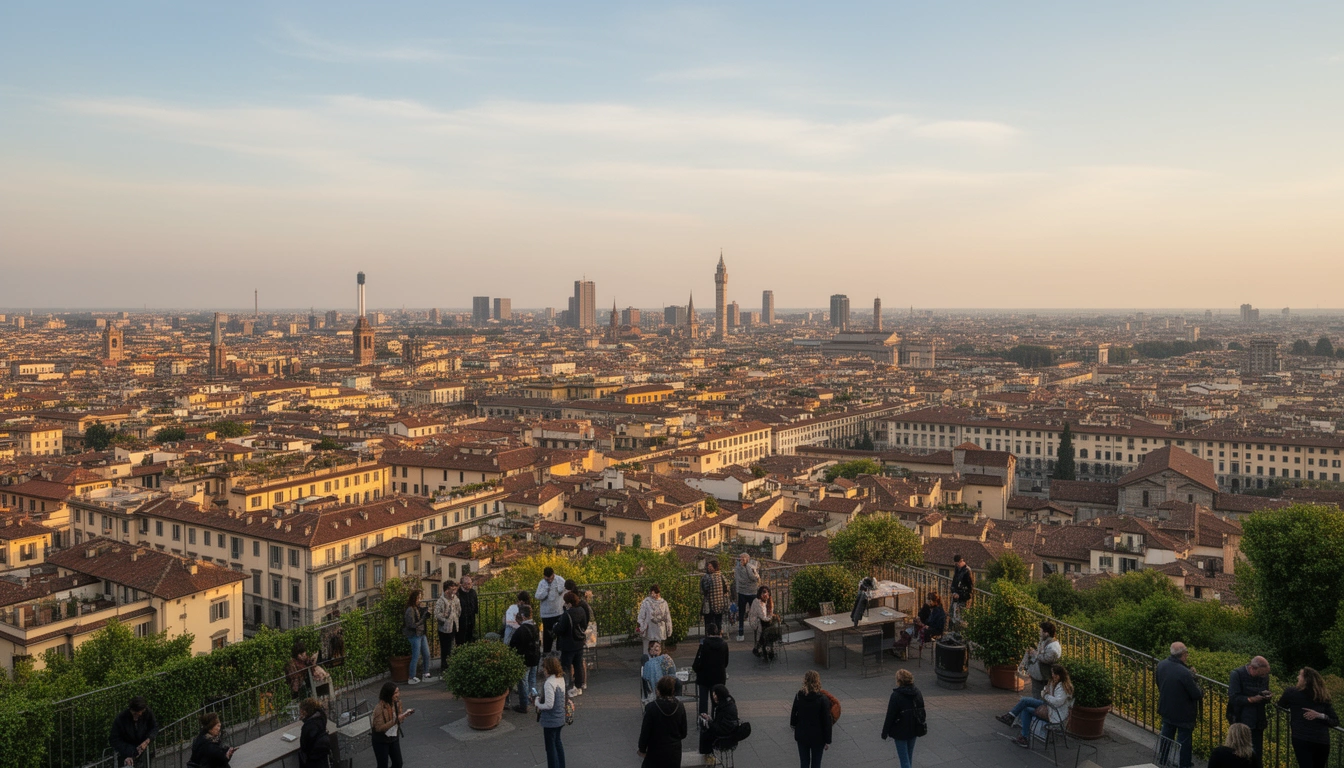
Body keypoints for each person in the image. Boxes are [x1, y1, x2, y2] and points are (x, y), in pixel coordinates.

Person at [997, 663, 1073, 747]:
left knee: (1026, 708)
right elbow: (1043, 691)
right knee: (1025, 701)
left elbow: (1057, 702)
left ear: (1059, 675)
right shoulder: (1052, 682)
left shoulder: (1063, 687)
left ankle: (1022, 734)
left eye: (1054, 674)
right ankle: (1011, 717)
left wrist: (1046, 695)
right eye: (1052, 673)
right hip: (1048, 706)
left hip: (1054, 714)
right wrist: (1045, 693)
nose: (1052, 675)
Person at [1278, 666, 1340, 768]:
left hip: (1302, 738)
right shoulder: (1322, 696)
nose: (1298, 677)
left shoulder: (1292, 692)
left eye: (1300, 675)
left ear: (1305, 680)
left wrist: (1318, 715)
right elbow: (1334, 721)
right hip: (1321, 741)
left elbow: (1280, 705)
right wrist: (1322, 716)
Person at [1156, 641, 1203, 768]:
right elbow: (1197, 694)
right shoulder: (1185, 672)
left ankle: (1163, 759)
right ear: (1183, 654)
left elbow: (1159, 684)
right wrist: (1195, 678)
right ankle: (1184, 764)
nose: (1187, 655)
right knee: (1184, 741)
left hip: (1166, 708)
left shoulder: (1161, 664)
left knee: (1166, 736)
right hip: (1184, 713)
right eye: (1186, 653)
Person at [1227, 655, 1271, 768]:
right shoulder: (1236, 674)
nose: (1264, 676)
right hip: (1241, 719)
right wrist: (1251, 699)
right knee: (1239, 751)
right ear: (1252, 668)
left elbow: (1265, 690)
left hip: (1258, 720)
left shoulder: (1264, 676)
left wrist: (1266, 697)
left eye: (1265, 674)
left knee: (1257, 752)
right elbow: (1233, 697)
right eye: (1262, 674)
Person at [638, 675, 688, 768]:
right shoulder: (679, 706)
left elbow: (645, 731)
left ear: (658, 690)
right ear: (672, 690)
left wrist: (642, 748)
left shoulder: (651, 707)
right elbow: (683, 732)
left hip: (655, 749)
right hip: (674, 751)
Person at [881, 668, 926, 768]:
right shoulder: (917, 692)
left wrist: (885, 732)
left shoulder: (896, 696)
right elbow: (922, 711)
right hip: (914, 729)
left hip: (900, 731)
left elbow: (890, 715)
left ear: (899, 681)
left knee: (904, 760)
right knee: (908, 757)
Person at [790, 670, 833, 768]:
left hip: (802, 735)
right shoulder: (823, 699)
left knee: (804, 763)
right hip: (818, 737)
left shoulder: (799, 696)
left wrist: (795, 727)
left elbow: (793, 715)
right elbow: (827, 721)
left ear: (805, 681)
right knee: (816, 764)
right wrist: (827, 740)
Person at [508, 604, 542, 713]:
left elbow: (513, 645)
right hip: (535, 657)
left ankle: (524, 705)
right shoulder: (535, 627)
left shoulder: (521, 630)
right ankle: (535, 700)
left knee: (523, 682)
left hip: (525, 659)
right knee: (532, 681)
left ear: (522, 616)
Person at [372, 681, 414, 768]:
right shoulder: (379, 708)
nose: (398, 694)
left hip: (393, 737)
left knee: (398, 763)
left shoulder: (397, 703)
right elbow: (379, 728)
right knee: (382, 765)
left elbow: (398, 718)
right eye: (395, 693)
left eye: (398, 692)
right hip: (381, 740)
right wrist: (395, 721)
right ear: (388, 694)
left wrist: (404, 716)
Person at [692, 623, 730, 717]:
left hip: (704, 677)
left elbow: (697, 662)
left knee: (703, 701)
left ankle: (703, 721)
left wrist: (697, 670)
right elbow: (726, 662)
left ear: (707, 632)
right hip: (719, 677)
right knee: (717, 700)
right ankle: (717, 719)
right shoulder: (724, 644)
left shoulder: (704, 644)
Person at [536, 656, 568, 768]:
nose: (544, 671)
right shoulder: (561, 678)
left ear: (549, 668)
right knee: (558, 743)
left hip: (550, 721)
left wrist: (537, 704)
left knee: (550, 747)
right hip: (560, 718)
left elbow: (549, 705)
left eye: (545, 668)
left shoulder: (549, 683)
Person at [109, 696, 158, 767]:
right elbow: (114, 739)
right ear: (131, 710)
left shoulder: (147, 713)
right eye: (135, 714)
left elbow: (154, 727)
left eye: (139, 714)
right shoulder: (121, 718)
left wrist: (148, 740)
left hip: (144, 753)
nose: (136, 717)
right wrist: (129, 752)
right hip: (126, 753)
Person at [556, 591, 588, 697]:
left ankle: (566, 686)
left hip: (568, 644)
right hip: (579, 642)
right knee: (578, 665)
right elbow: (584, 625)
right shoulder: (581, 610)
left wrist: (555, 627)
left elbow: (560, 629)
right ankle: (579, 686)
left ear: (568, 602)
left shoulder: (567, 614)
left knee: (566, 666)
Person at [698, 684, 739, 765]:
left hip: (724, 734)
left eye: (715, 695)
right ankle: (707, 755)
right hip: (730, 730)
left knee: (705, 733)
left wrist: (709, 722)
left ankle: (707, 756)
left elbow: (719, 728)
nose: (714, 697)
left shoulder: (722, 708)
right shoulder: (729, 703)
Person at [1027, 621, 1062, 699]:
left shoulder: (1053, 646)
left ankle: (1037, 708)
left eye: (1041, 631)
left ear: (1046, 633)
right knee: (1037, 695)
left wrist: (1035, 654)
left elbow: (1047, 659)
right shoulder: (1046, 641)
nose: (1040, 633)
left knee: (1039, 697)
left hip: (1044, 675)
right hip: (1040, 675)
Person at [403, 588, 431, 684]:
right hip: (414, 634)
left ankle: (426, 673)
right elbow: (411, 625)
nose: (420, 600)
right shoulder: (410, 609)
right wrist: (423, 618)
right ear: (414, 598)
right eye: (418, 598)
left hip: (421, 634)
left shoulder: (416, 608)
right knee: (416, 656)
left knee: (426, 654)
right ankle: (411, 677)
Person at [536, 567, 566, 654]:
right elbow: (537, 596)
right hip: (546, 614)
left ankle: (560, 653)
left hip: (558, 612)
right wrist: (546, 591)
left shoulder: (560, 580)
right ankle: (547, 654)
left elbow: (564, 589)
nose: (549, 580)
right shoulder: (542, 583)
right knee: (548, 635)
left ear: (553, 574)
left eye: (551, 578)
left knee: (560, 634)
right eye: (547, 579)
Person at [748, 585, 781, 659]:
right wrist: (772, 616)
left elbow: (769, 614)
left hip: (764, 620)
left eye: (766, 593)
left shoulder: (769, 601)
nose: (765, 595)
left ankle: (767, 648)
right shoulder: (757, 602)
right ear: (760, 594)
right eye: (763, 593)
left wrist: (773, 614)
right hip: (756, 621)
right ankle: (761, 647)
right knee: (767, 628)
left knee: (771, 627)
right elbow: (764, 617)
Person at [435, 580, 461, 672]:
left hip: (453, 625)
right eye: (452, 589)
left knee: (452, 646)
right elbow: (437, 614)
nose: (454, 591)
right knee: (445, 648)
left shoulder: (455, 598)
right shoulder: (441, 601)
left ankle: (450, 666)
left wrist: (456, 617)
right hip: (444, 628)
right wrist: (445, 619)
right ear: (447, 590)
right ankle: (444, 667)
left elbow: (458, 610)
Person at [733, 553, 760, 642]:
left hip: (752, 593)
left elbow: (754, 578)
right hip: (742, 592)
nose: (741, 560)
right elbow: (739, 579)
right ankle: (741, 633)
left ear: (747, 559)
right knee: (741, 613)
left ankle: (756, 629)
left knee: (755, 612)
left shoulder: (752, 566)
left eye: (743, 559)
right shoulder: (738, 568)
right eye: (740, 559)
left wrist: (747, 566)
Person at [700, 559, 731, 634]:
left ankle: (709, 635)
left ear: (714, 567)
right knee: (718, 621)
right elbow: (727, 588)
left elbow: (704, 590)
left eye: (710, 566)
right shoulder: (722, 576)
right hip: (720, 604)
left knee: (709, 621)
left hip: (709, 604)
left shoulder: (706, 578)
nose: (708, 568)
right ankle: (719, 634)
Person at [297, 698, 330, 768]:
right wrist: (305, 719)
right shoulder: (322, 718)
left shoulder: (307, 727)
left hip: (312, 760)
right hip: (323, 759)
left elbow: (304, 747)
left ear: (306, 712)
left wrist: (305, 721)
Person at [949, 554, 974, 625]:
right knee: (953, 615)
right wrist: (953, 592)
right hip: (956, 596)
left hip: (962, 598)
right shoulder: (957, 569)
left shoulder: (967, 571)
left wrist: (960, 595)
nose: (957, 565)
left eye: (957, 564)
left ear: (961, 561)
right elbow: (954, 582)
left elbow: (970, 588)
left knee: (961, 619)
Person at [456, 574, 479, 645]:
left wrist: (475, 611)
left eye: (470, 583)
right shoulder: (458, 593)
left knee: (470, 636)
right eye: (467, 584)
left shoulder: (473, 592)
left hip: (471, 618)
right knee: (461, 638)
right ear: (462, 584)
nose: (469, 585)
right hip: (461, 619)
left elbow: (475, 603)